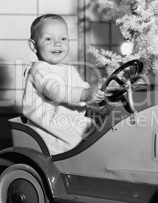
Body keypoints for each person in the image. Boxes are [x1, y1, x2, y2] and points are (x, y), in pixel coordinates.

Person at [22, 14, 105, 154]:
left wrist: (97, 91)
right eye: (48, 39)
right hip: (48, 125)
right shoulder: (39, 70)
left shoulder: (69, 70)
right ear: (33, 45)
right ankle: (75, 159)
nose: (57, 43)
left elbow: (83, 88)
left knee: (98, 127)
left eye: (63, 38)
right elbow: (56, 91)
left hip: (68, 120)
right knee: (87, 131)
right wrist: (85, 94)